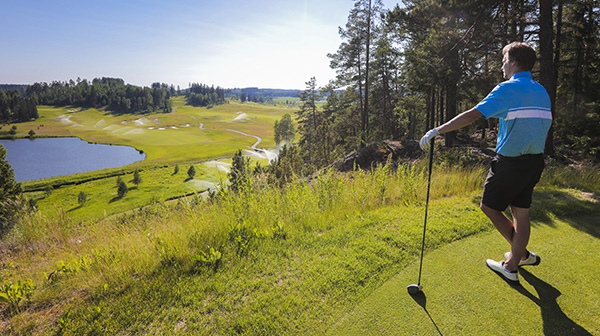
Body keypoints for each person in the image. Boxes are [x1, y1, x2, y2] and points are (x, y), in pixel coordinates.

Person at [419, 42, 552, 285]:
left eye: (504, 60)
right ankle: (520, 255)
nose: (502, 65)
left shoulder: (507, 89)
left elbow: (473, 114)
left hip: (511, 163)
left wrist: (438, 129)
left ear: (513, 62)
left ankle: (513, 263)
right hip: (535, 161)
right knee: (520, 213)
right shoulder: (541, 90)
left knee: (489, 207)